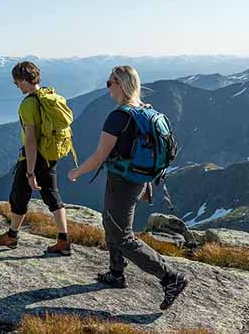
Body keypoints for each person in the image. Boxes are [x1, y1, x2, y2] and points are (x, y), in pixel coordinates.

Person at [67, 65, 188, 311]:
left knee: (122, 235)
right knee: (111, 224)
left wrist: (75, 172)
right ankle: (116, 272)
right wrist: (145, 182)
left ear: (120, 85)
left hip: (122, 182)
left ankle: (171, 277)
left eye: (109, 82)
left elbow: (100, 156)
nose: (107, 87)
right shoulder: (147, 111)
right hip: (136, 180)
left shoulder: (119, 116)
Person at [0, 61, 72, 256]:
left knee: (19, 194)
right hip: (52, 153)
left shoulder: (29, 104)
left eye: (16, 82)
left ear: (24, 80)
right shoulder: (49, 95)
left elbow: (31, 141)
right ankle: (63, 239)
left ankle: (12, 236)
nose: (16, 85)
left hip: (35, 157)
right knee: (52, 195)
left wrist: (30, 171)